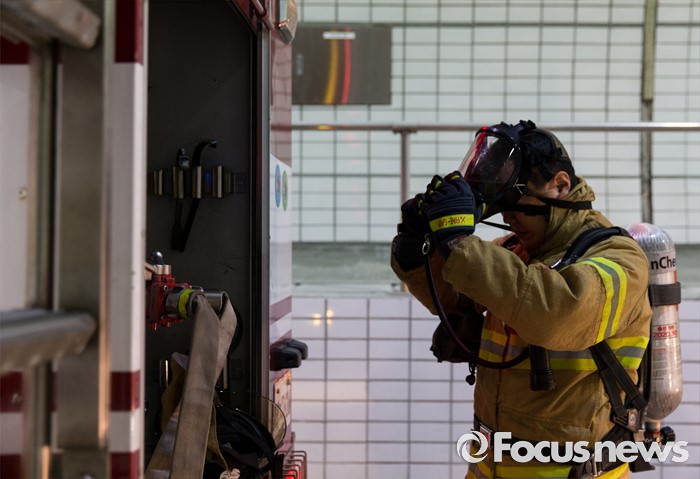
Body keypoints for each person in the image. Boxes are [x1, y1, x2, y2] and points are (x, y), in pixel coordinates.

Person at [390, 120, 653, 479]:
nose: (510, 220)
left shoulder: (620, 258)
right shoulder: (517, 251)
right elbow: (454, 298)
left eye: (517, 206)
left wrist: (460, 244)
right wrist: (419, 250)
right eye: (502, 210)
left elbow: (558, 313)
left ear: (560, 185)